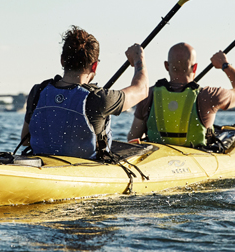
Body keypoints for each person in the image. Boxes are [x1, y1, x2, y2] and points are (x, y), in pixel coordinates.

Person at [21, 26, 148, 159]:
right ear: (94, 66)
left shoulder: (39, 91)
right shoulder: (99, 99)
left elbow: (26, 140)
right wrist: (138, 57)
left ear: (62, 60)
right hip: (85, 166)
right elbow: (142, 89)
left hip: (40, 164)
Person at [127, 42, 235, 147]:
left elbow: (133, 137)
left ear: (166, 66)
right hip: (195, 159)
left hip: (158, 160)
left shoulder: (148, 95)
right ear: (195, 67)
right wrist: (225, 65)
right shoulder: (208, 96)